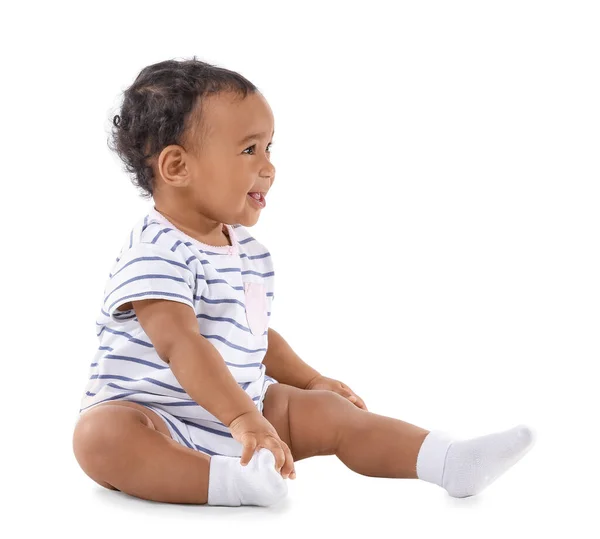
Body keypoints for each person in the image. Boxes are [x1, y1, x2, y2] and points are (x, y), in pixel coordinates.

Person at [72, 56, 536, 507]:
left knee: (332, 414)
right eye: (249, 149)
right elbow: (182, 344)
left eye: (270, 148)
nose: (269, 167)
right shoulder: (155, 252)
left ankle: (448, 460)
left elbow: (256, 337)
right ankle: (231, 483)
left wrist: (311, 380)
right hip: (157, 417)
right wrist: (243, 420)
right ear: (177, 167)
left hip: (246, 414)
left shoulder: (246, 251)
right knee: (100, 438)